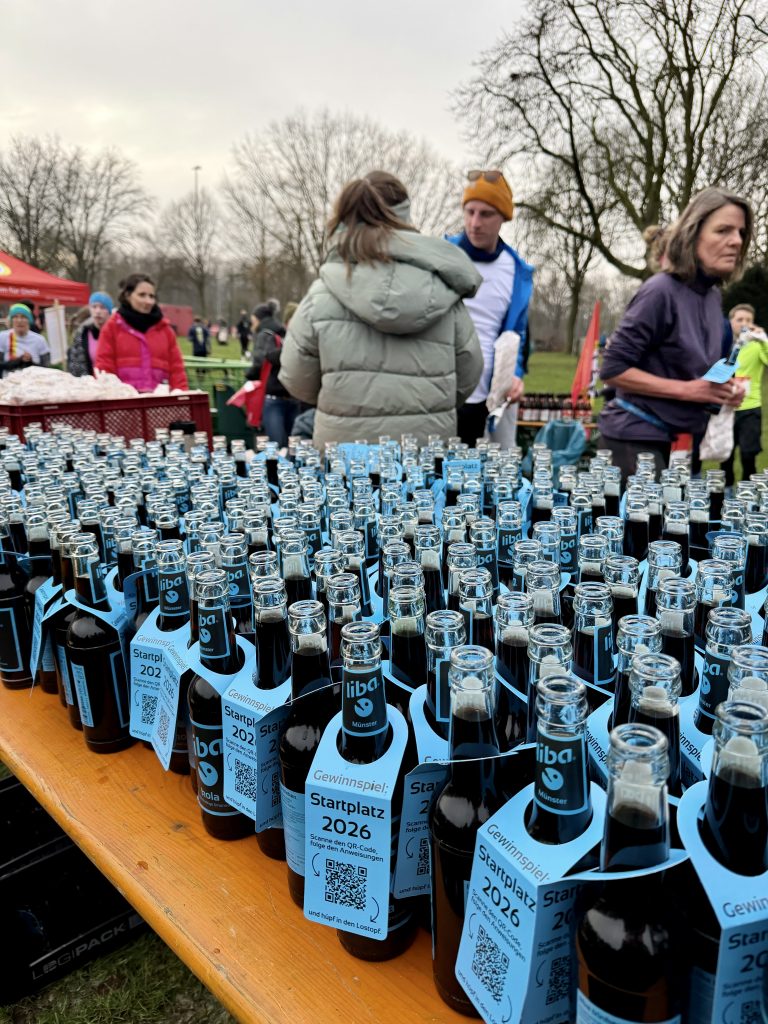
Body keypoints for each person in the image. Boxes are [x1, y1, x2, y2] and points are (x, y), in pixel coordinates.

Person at [279, 171, 483, 448]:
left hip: (345, 454)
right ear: (405, 215)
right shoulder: (445, 294)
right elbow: (468, 375)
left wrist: (342, 395)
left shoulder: (321, 297)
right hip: (425, 450)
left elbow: (296, 378)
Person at [598, 187, 752, 481]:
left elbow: (693, 372)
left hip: (683, 442)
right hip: (635, 440)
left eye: (741, 232)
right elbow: (613, 369)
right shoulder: (660, 291)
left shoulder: (713, 297)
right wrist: (690, 390)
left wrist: (722, 389)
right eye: (723, 230)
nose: (736, 241)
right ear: (692, 235)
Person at [447, 169, 534, 447]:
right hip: (443, 396)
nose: (475, 223)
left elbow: (517, 334)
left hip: (491, 398)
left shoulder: (518, 271)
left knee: (489, 471)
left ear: (503, 217)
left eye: (486, 214)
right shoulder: (442, 255)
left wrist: (516, 375)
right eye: (470, 212)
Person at [95, 274, 188, 391]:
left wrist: (182, 395)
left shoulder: (165, 330)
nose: (148, 301)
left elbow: (177, 371)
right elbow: (104, 369)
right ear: (128, 295)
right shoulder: (112, 328)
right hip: (123, 399)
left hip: (160, 400)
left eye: (151, 296)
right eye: (142, 295)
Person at [721, 303, 768, 484]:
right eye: (739, 319)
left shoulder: (757, 346)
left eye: (748, 320)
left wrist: (764, 339)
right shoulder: (723, 345)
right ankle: (725, 494)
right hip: (726, 408)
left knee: (748, 456)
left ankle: (747, 494)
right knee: (726, 456)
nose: (744, 323)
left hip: (750, 407)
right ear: (730, 322)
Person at [246, 299, 299, 448]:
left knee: (281, 445)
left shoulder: (265, 335)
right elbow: (268, 358)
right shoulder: (279, 335)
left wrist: (249, 374)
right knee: (288, 445)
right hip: (286, 395)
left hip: (279, 395)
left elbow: (261, 361)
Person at [67, 292, 113, 377]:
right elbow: (75, 364)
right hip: (88, 382)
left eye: (102, 307)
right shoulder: (82, 334)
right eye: (94, 307)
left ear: (109, 311)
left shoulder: (116, 334)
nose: (98, 311)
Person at [0, 303, 50, 377]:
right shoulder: (2, 337)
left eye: (23, 317)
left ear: (29, 320)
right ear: (11, 320)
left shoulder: (39, 340)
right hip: (8, 381)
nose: (19, 320)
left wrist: (30, 362)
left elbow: (46, 368)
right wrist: (19, 361)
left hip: (34, 381)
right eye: (15, 317)